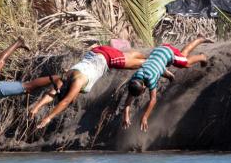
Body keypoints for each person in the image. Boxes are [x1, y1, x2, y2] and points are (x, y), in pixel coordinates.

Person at [30, 44, 167, 129]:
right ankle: (133, 50)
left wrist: (48, 117)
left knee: (141, 63)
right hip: (95, 52)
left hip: (105, 57)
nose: (73, 98)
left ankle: (156, 59)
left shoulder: (77, 82)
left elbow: (65, 101)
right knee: (127, 57)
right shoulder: (64, 79)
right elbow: (51, 93)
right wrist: (36, 107)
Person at [122, 36, 213, 132]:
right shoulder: (135, 80)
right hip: (157, 55)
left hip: (167, 53)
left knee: (186, 62)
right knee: (181, 56)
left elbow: (153, 100)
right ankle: (170, 76)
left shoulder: (151, 78)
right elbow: (129, 99)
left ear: (144, 86)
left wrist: (145, 117)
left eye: (141, 93)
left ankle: (201, 53)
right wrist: (126, 116)